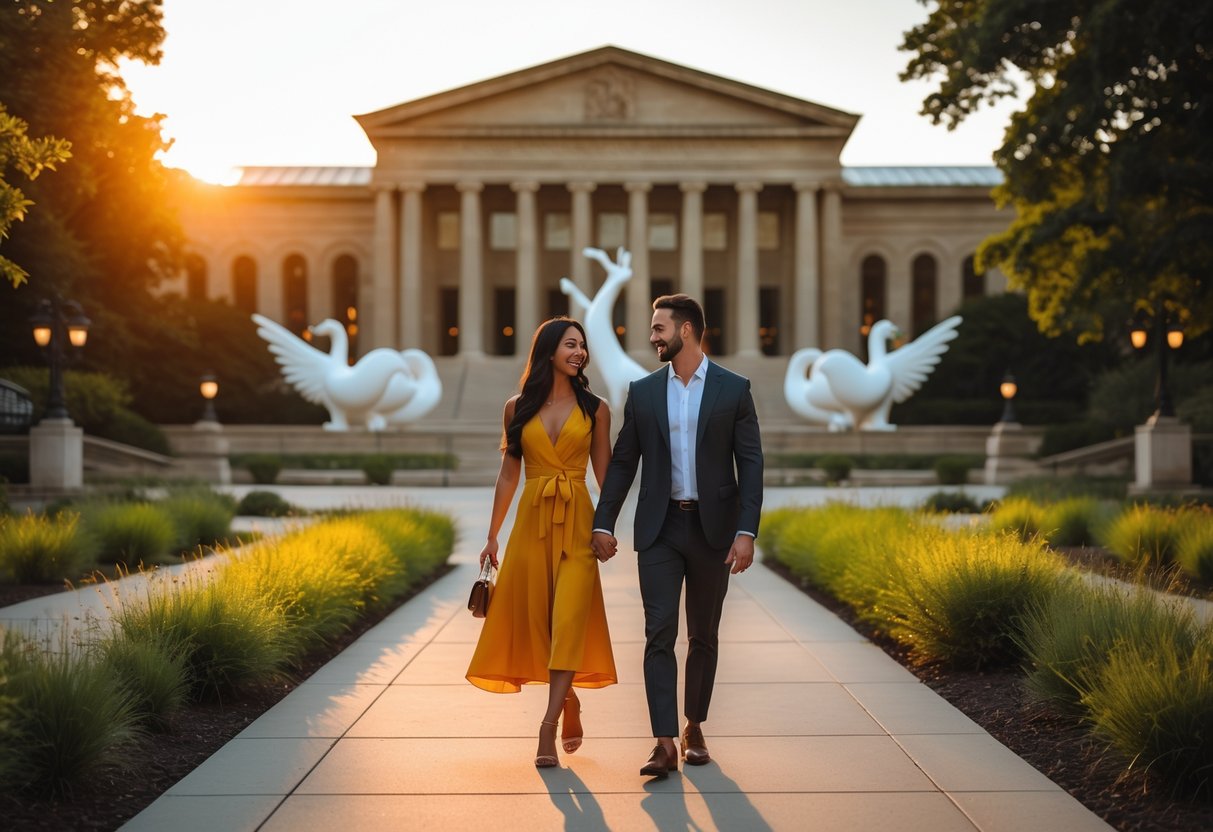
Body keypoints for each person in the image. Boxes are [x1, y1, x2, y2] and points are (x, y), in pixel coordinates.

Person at [592, 294, 763, 779]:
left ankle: (694, 726)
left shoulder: (734, 389)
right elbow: (624, 462)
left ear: (685, 330)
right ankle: (663, 741)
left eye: (659, 328)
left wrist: (746, 531)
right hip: (660, 528)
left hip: (714, 531)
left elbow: (750, 463)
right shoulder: (643, 392)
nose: (652, 337)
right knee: (659, 632)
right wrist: (603, 521)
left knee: (703, 635)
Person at [466, 317, 617, 768]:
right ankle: (568, 700)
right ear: (549, 349)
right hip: (531, 524)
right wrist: (492, 535)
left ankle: (547, 727)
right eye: (571, 344)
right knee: (539, 625)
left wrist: (605, 527)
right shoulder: (517, 407)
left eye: (583, 346)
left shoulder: (597, 408)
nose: (580, 352)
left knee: (569, 620)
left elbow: (606, 477)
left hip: (578, 526)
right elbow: (509, 472)